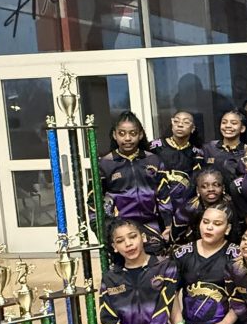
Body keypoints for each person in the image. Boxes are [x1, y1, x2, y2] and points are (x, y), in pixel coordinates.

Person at [167, 204, 245, 324]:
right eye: (206, 222)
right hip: (193, 322)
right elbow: (171, 293)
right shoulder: (182, 254)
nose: (209, 227)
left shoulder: (236, 255)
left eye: (217, 224)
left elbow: (243, 296)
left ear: (227, 228)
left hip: (226, 320)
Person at [99, 111, 172, 256]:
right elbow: (94, 203)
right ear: (114, 135)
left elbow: (164, 195)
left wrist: (169, 225)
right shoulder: (105, 164)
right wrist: (105, 230)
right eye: (122, 133)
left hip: (151, 227)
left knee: (154, 271)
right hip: (121, 229)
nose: (127, 138)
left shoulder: (153, 160)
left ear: (140, 135)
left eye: (133, 133)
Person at [149, 110, 205, 230]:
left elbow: (196, 181)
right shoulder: (155, 147)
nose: (180, 125)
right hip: (157, 205)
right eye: (176, 121)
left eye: (185, 122)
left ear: (193, 128)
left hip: (184, 206)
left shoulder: (197, 153)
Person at [172, 168, 238, 246]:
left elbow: (236, 233)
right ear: (197, 190)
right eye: (204, 186)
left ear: (223, 188)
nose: (211, 189)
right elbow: (175, 239)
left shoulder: (231, 204)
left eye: (216, 185)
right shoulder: (187, 208)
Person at [202, 109, 247, 183]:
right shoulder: (209, 148)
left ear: (242, 128)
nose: (228, 126)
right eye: (224, 122)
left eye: (234, 123)